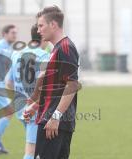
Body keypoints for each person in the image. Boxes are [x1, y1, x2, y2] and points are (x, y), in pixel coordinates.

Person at [23, 6, 80, 159]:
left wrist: (55, 116)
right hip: (49, 119)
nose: (38, 30)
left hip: (54, 123)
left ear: (53, 25)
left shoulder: (65, 47)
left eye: (41, 25)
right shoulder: (56, 49)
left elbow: (72, 85)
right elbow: (56, 87)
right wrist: (36, 106)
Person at [6, 24, 50, 159]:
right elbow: (47, 86)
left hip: (20, 106)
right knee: (31, 151)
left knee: (38, 150)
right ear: (43, 36)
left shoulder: (15, 53)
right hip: (36, 108)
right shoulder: (45, 56)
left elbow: (9, 82)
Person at [0, 24, 18, 154]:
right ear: (5, 33)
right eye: (12, 33)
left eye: (15, 33)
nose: (15, 35)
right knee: (9, 110)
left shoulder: (8, 47)